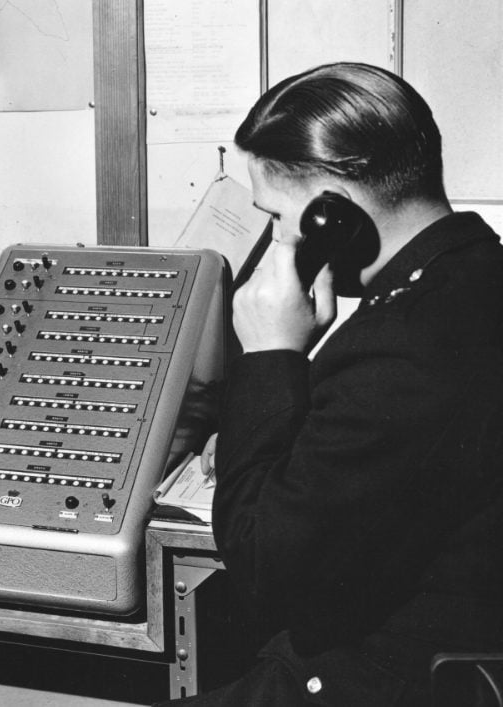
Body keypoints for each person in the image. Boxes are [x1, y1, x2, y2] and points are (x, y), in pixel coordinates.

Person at [161, 62, 503, 705]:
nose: (275, 238)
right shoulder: (471, 274)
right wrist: (272, 427)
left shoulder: (403, 347)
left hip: (373, 681)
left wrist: (268, 356)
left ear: (332, 214)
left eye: (276, 216)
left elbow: (265, 573)